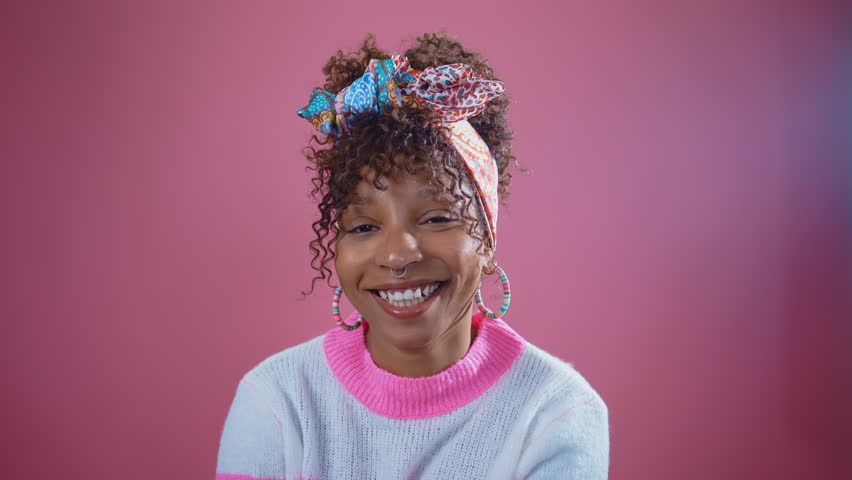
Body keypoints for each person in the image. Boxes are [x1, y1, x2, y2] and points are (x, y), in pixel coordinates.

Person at [216, 32, 609, 479]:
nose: (398, 255)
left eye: (437, 218)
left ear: (486, 239)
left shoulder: (555, 413)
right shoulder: (278, 401)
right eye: (364, 227)